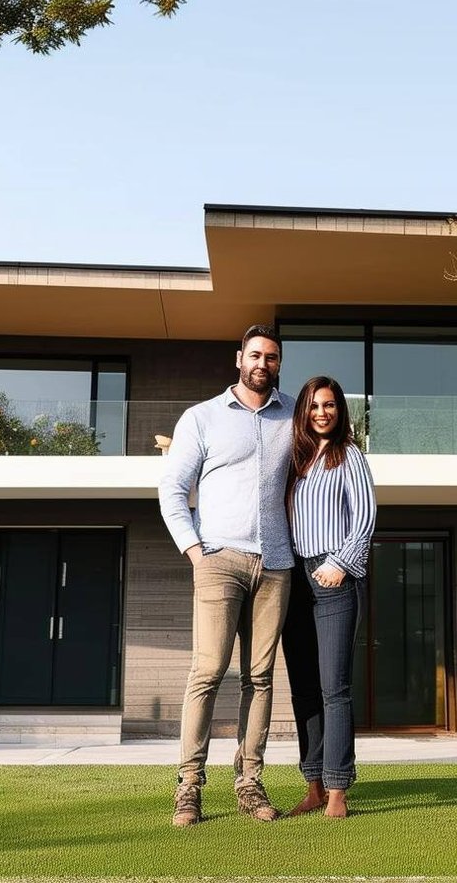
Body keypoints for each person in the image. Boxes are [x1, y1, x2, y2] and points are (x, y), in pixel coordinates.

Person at [159, 324, 295, 827]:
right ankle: (189, 785)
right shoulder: (202, 418)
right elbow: (173, 489)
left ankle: (249, 782)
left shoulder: (293, 416)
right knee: (208, 672)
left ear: (279, 364)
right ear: (239, 359)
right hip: (219, 561)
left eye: (272, 357)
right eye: (255, 355)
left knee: (260, 678)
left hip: (277, 564)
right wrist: (196, 552)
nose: (263, 363)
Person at [281, 375, 376, 819]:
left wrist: (339, 563)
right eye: (315, 405)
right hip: (295, 578)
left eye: (331, 405)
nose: (322, 412)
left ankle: (338, 789)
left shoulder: (349, 457)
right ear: (304, 411)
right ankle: (314, 784)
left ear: (340, 411)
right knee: (303, 690)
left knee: (333, 688)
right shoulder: (297, 460)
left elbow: (366, 517)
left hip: (334, 576)